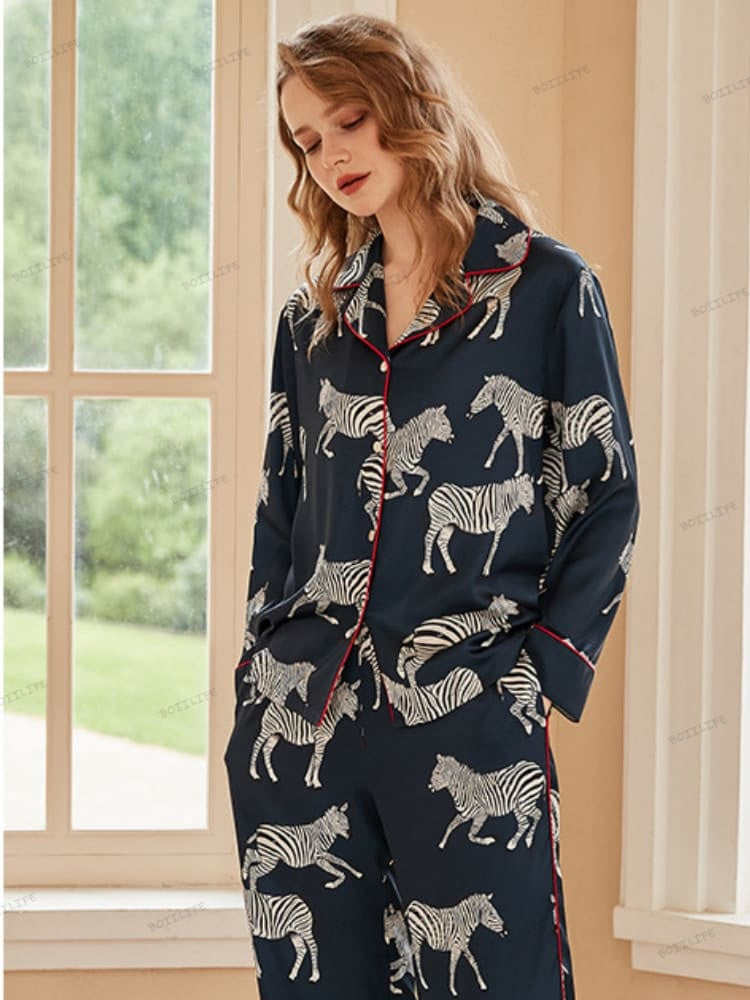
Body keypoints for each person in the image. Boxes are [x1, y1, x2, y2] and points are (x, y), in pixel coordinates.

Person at [223, 12, 640, 1000]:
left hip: (468, 704)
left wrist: (535, 674)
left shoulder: (547, 287)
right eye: (307, 141)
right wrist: (258, 668)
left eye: (348, 120)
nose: (330, 155)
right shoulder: (314, 319)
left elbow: (605, 495)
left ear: (409, 106)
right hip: (306, 716)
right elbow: (282, 507)